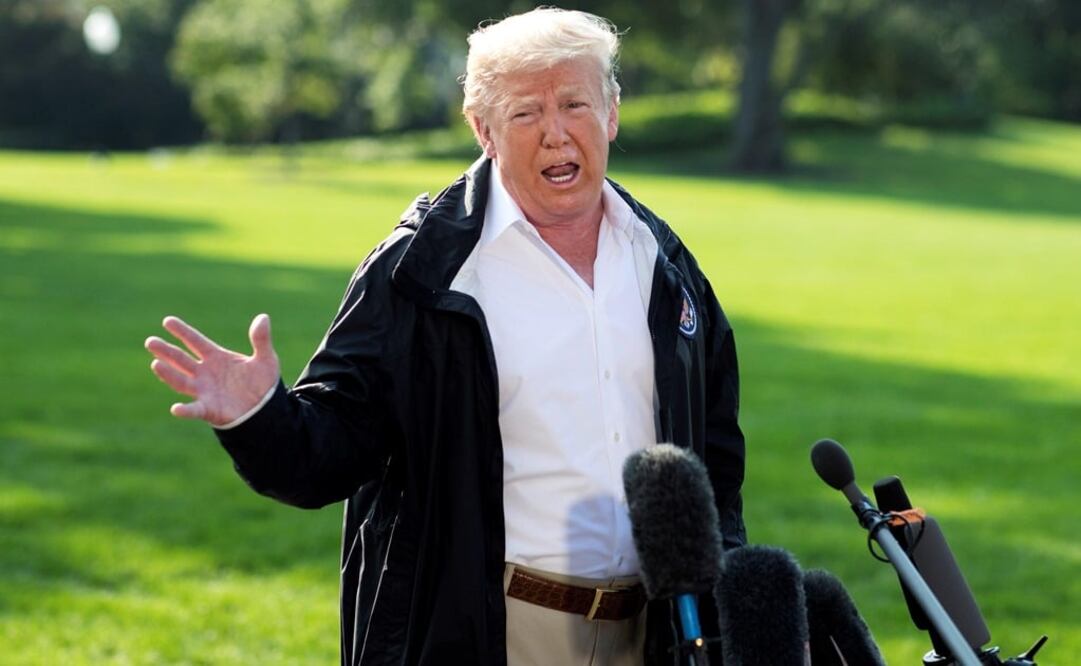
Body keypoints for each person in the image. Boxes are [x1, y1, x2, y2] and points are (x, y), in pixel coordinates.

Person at [145, 8, 745, 665]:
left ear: (611, 113)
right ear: (482, 129)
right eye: (524, 113)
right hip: (486, 630)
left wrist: (729, 606)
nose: (555, 134)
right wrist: (259, 416)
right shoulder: (419, 269)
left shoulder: (664, 263)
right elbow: (328, 455)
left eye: (575, 103)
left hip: (655, 634)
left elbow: (714, 463)